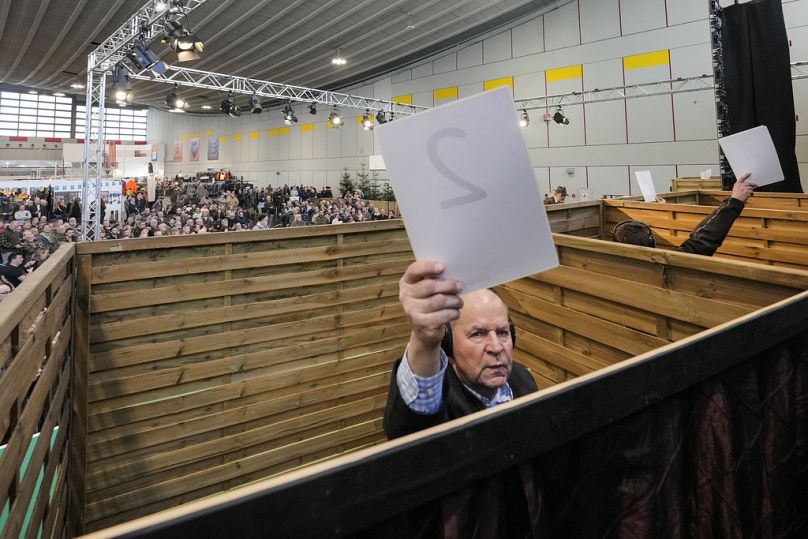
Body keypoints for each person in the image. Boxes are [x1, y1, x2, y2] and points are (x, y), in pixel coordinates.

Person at [383, 261, 538, 439]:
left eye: (502, 332)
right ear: (448, 343)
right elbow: (413, 425)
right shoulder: (439, 402)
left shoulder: (523, 380)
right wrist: (424, 341)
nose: (496, 347)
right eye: (478, 334)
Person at [612, 172, 758, 256]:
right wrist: (734, 202)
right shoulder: (670, 268)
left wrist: (664, 209)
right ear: (652, 242)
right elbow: (703, 240)